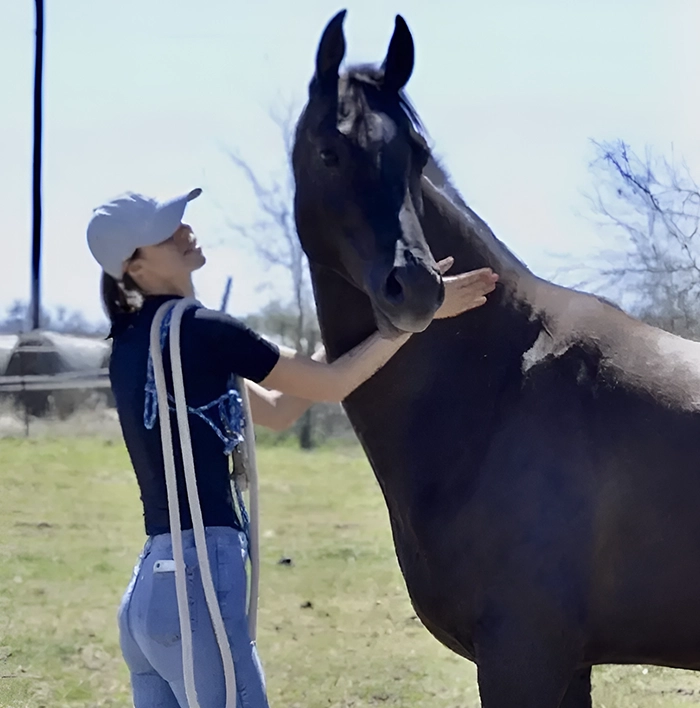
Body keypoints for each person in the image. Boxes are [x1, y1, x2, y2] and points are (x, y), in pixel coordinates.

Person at [86, 187, 498, 708]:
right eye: (166, 234)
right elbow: (332, 385)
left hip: (150, 590)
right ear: (135, 266)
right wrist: (417, 315)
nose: (185, 231)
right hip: (199, 587)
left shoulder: (134, 341)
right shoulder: (202, 330)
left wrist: (384, 315)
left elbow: (281, 409)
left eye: (180, 222)